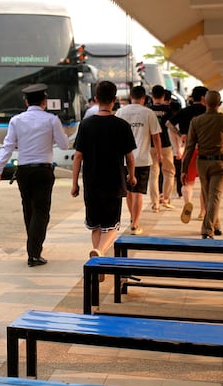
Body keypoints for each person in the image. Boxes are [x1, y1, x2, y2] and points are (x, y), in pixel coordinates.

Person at [0, 83, 70, 267]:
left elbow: (8, 146)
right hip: (43, 170)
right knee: (42, 212)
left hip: (24, 172)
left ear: (26, 102)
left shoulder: (16, 121)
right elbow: (65, 145)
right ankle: (34, 252)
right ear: (45, 102)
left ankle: (33, 249)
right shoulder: (52, 120)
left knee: (29, 209)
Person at [72, 81, 137, 260]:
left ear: (95, 99)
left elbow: (78, 156)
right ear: (114, 100)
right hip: (114, 183)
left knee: (96, 227)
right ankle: (100, 254)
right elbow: (130, 157)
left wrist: (74, 184)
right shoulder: (122, 125)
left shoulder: (85, 125)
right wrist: (132, 176)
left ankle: (98, 261)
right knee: (112, 227)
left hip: (91, 184)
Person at [181, 91, 223, 239]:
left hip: (201, 163)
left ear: (205, 102)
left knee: (208, 194)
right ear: (219, 104)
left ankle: (216, 225)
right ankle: (207, 229)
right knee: (214, 196)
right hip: (220, 163)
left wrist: (184, 169)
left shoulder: (196, 121)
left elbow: (189, 147)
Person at [116, 85, 162, 235]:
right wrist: (160, 154)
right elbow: (156, 136)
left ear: (131, 96)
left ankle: (132, 217)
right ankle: (135, 224)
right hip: (142, 159)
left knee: (129, 191)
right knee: (138, 193)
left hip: (123, 160)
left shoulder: (121, 112)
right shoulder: (148, 113)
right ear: (144, 98)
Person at [169, 85, 209, 223]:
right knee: (205, 183)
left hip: (189, 149)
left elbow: (169, 123)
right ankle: (203, 212)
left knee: (188, 183)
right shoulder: (208, 111)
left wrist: (181, 135)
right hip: (205, 150)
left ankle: (188, 202)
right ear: (204, 97)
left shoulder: (185, 111)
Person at [148, 85, 176, 211]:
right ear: (164, 96)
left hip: (151, 145)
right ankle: (165, 198)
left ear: (152, 96)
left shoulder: (148, 110)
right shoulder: (169, 110)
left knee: (154, 174)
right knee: (169, 172)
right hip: (165, 144)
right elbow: (172, 128)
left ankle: (155, 203)